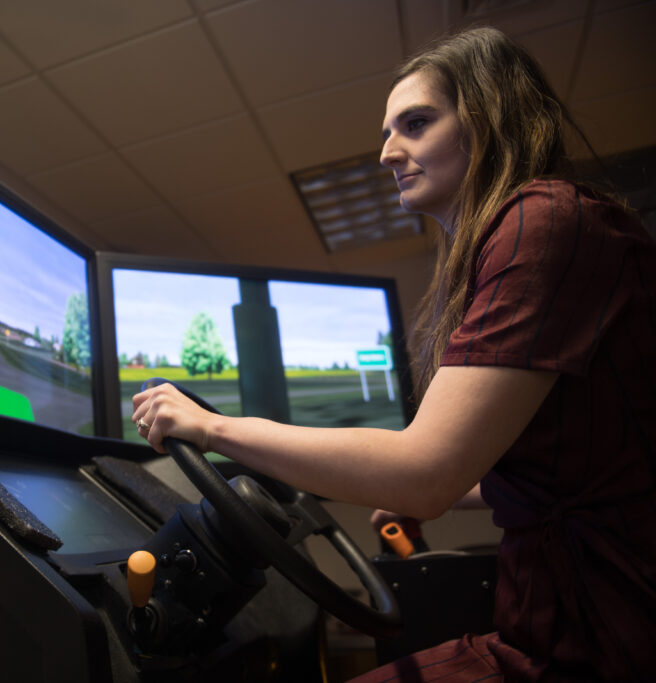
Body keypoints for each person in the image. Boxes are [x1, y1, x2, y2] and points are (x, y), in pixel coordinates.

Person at [131, 26, 656, 682]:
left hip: (601, 643)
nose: (387, 153)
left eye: (415, 123)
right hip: (567, 624)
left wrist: (211, 427)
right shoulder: (533, 229)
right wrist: (464, 490)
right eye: (387, 131)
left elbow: (421, 472)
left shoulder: (541, 222)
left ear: (489, 119)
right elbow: (573, 461)